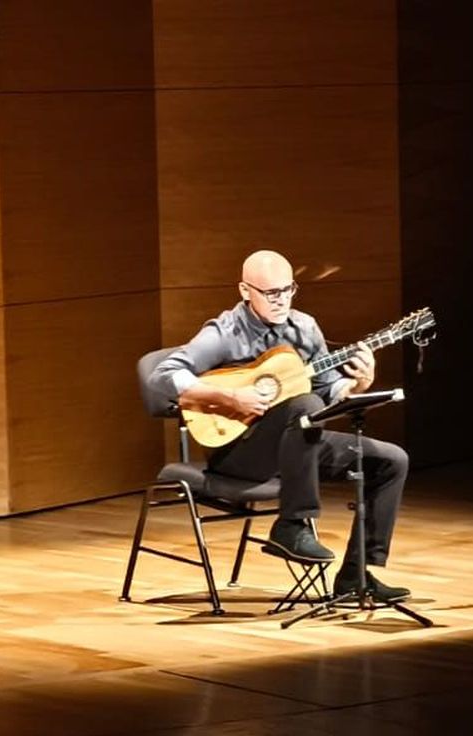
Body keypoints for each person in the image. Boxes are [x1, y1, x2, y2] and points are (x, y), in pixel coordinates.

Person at [149, 249, 410, 600]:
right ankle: (291, 524)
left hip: (296, 443)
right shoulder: (224, 333)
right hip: (239, 453)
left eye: (288, 290)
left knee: (391, 461)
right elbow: (163, 375)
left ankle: (355, 576)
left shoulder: (304, 328)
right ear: (245, 291)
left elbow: (328, 388)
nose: (282, 300)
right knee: (306, 405)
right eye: (272, 293)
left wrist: (356, 385)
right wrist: (230, 398)